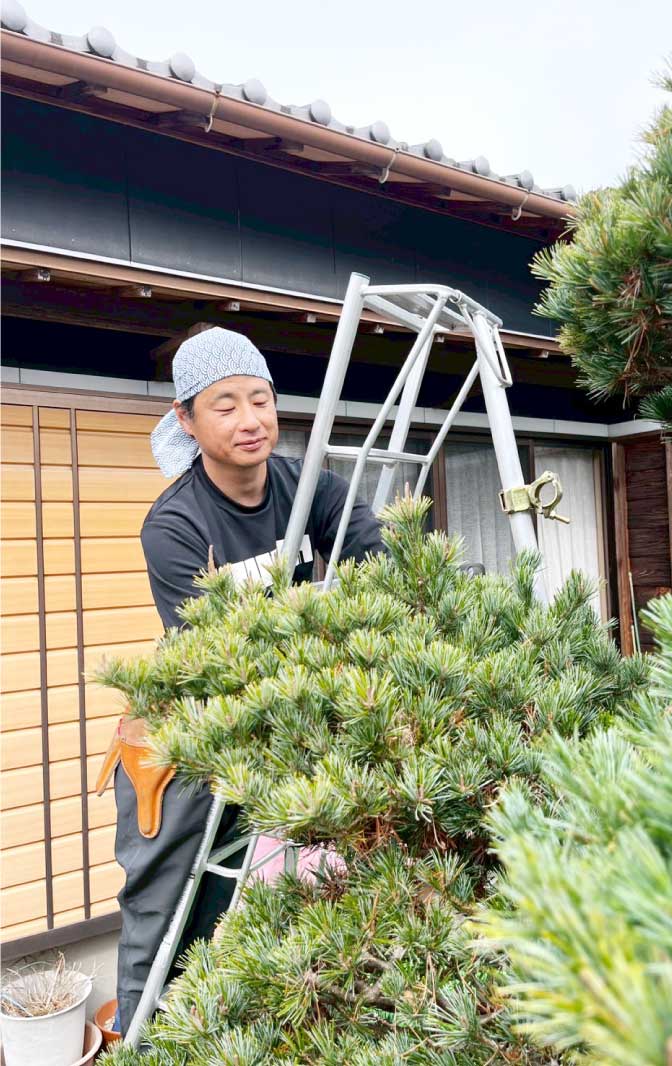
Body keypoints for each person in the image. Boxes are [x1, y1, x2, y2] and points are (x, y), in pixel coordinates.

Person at [98, 326, 384, 1036]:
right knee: (169, 910)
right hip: (184, 739)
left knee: (262, 893)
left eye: (260, 399)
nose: (249, 419)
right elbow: (220, 656)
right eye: (224, 406)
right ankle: (146, 1041)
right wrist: (326, 624)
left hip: (282, 717)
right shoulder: (175, 524)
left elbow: (381, 579)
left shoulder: (312, 487)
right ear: (187, 420)